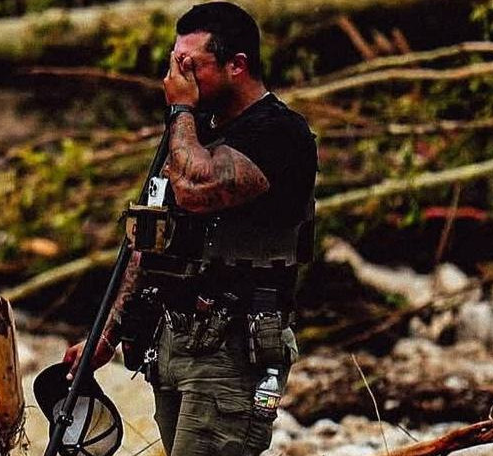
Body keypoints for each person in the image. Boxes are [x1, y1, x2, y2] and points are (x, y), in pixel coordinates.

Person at [63, 2, 317, 455]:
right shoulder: (193, 131)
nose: (176, 78)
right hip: (172, 341)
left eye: (190, 65)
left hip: (233, 348)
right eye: (175, 64)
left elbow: (196, 188)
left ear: (237, 65)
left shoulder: (280, 133)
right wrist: (107, 334)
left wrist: (180, 109)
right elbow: (149, 241)